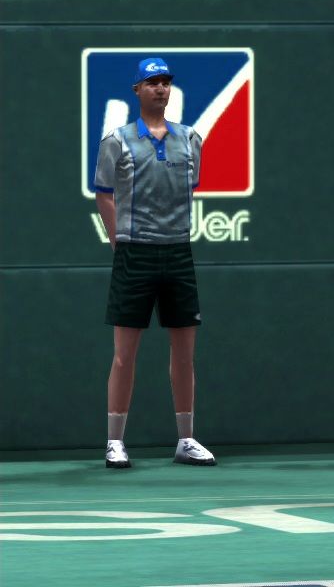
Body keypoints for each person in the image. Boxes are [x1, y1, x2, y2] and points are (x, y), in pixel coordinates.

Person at [93, 58, 216, 470]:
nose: (160, 88)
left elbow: (189, 187)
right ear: (137, 90)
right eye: (152, 82)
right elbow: (104, 193)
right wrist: (119, 241)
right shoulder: (117, 140)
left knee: (184, 353)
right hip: (135, 254)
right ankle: (114, 442)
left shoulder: (190, 139)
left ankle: (186, 439)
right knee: (124, 355)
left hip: (178, 252)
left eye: (165, 82)